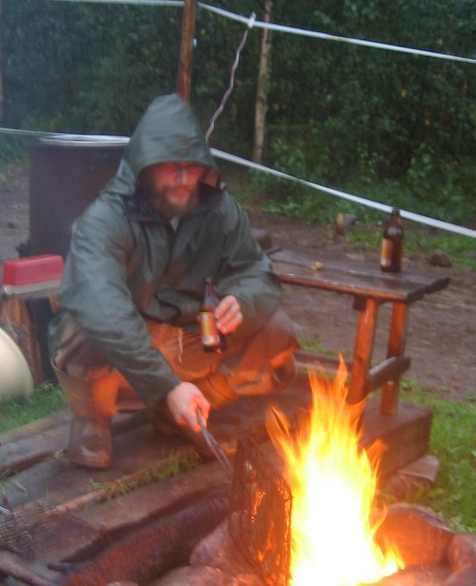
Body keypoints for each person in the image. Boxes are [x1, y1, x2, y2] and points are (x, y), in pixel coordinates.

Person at [49, 93, 299, 468]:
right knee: (84, 326)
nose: (184, 180)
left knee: (277, 330)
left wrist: (243, 301)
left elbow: (256, 271)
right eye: (171, 168)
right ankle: (92, 419)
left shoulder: (219, 209)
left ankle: (187, 411)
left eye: (192, 168)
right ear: (145, 166)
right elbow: (104, 310)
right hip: (131, 348)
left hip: (193, 340)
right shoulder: (105, 218)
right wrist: (166, 385)